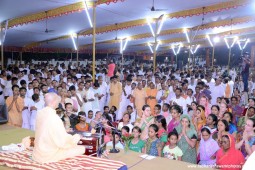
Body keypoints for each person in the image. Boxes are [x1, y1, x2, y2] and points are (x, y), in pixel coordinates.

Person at [32, 93, 84, 163]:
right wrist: (77, 137)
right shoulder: (54, 118)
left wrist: (64, 130)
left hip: (37, 153)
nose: (58, 104)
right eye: (58, 102)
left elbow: (45, 130)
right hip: (48, 154)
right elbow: (63, 141)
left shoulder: (40, 113)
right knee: (81, 149)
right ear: (53, 102)